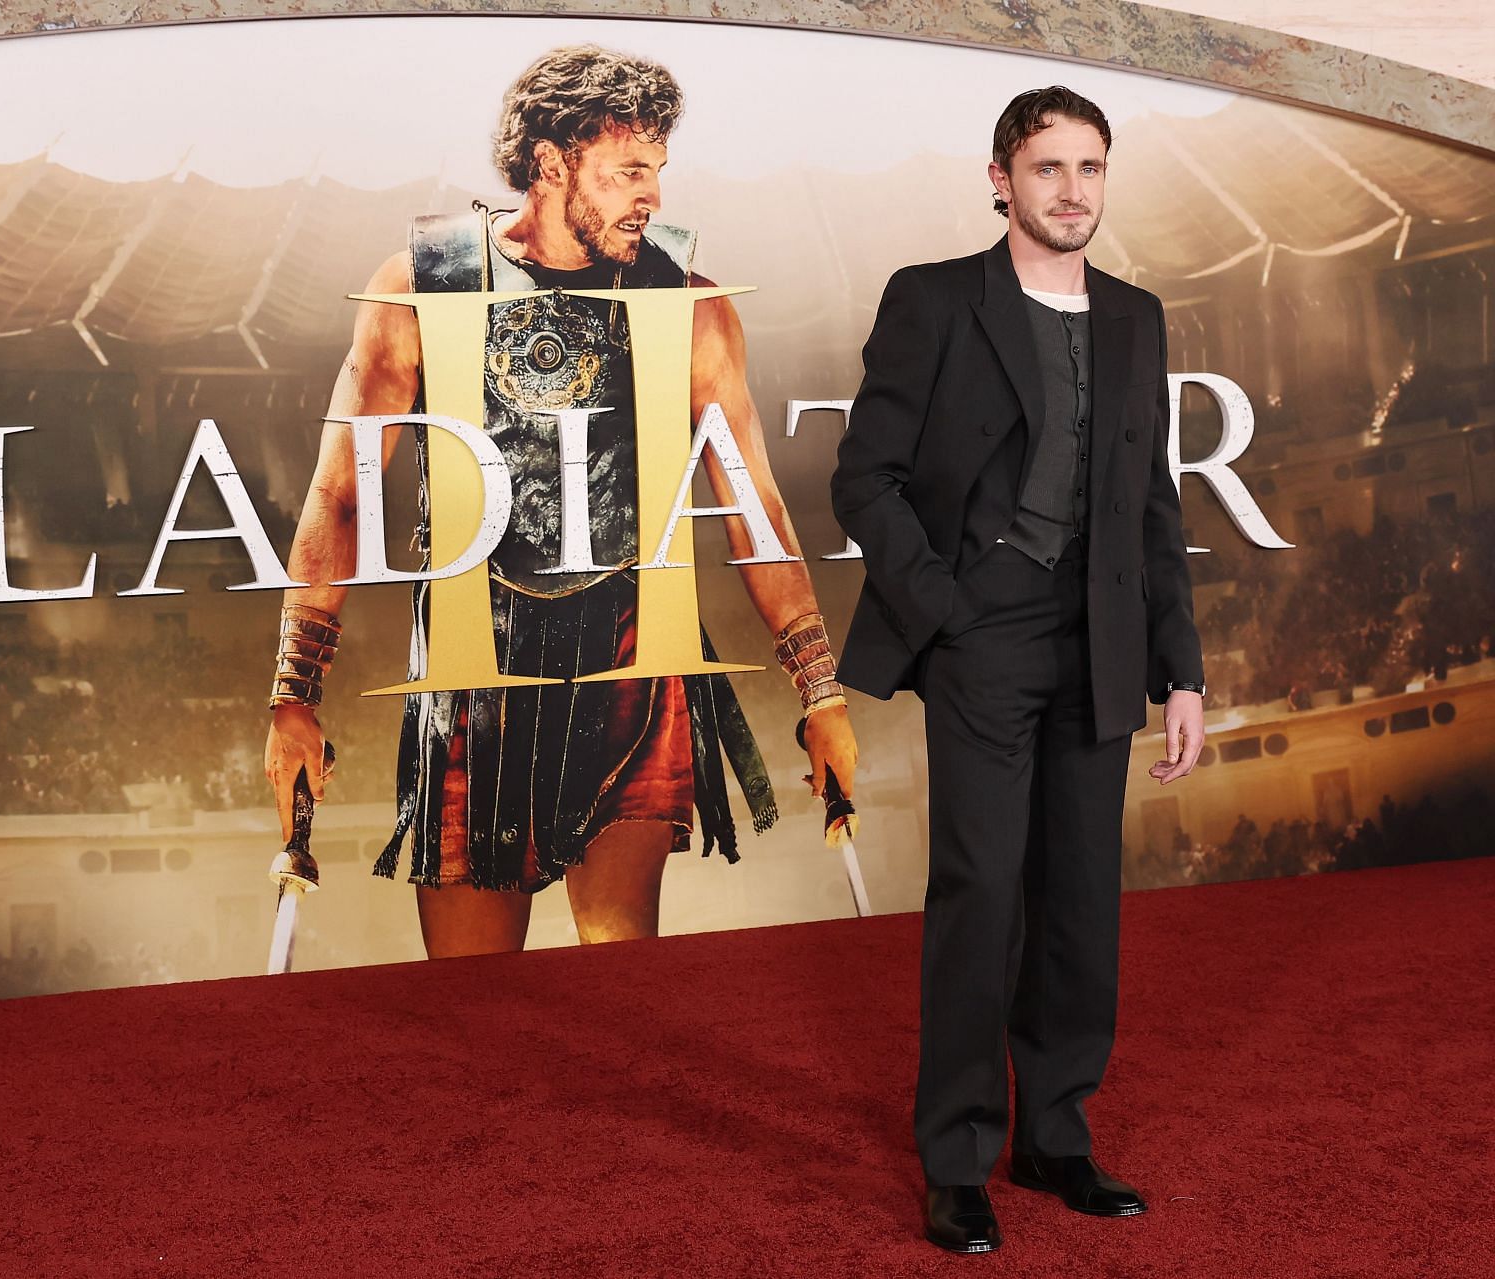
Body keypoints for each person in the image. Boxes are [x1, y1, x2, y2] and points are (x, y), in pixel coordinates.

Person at [263, 44, 859, 957]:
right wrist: (293, 694)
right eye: (627, 171)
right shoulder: (421, 284)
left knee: (618, 983)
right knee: (478, 1011)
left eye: (657, 171)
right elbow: (342, 494)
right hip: (475, 664)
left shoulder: (689, 303)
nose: (651, 194)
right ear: (552, 163)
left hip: (632, 657)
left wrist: (820, 690)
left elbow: (754, 506)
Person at [830, 86, 1206, 1254]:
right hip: (982, 636)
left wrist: (1179, 669)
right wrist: (946, 613)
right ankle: (956, 1156)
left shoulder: (1138, 317)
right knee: (983, 895)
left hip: (1099, 637)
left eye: (1091, 168)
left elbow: (1151, 505)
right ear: (1002, 178)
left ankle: (1054, 1133)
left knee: (1082, 902)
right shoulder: (936, 299)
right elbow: (864, 479)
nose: (1073, 191)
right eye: (1049, 169)